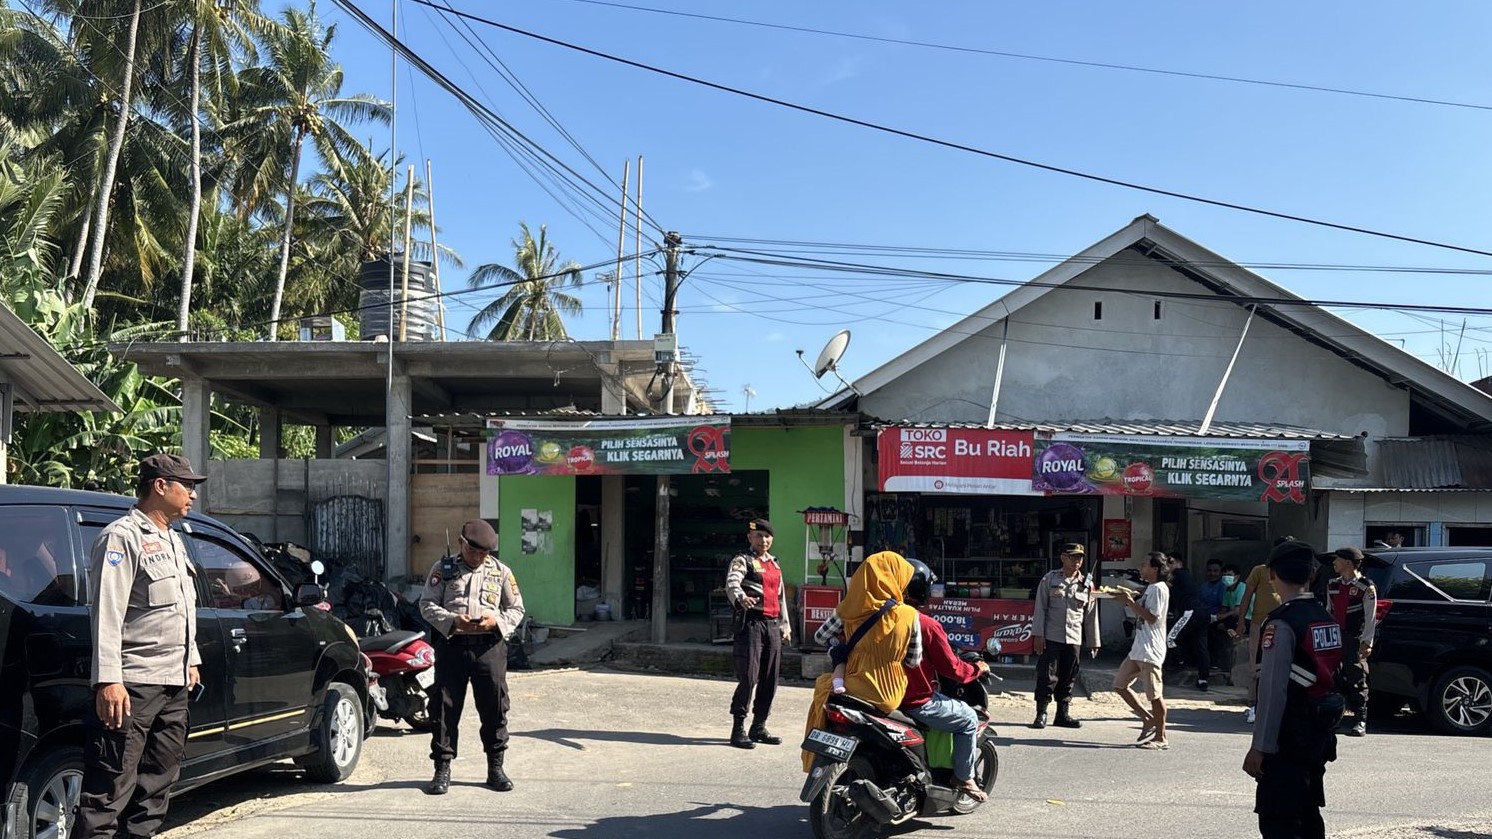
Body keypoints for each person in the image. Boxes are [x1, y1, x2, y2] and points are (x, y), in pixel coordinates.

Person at [78, 453, 205, 839]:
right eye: (188, 486)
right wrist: (108, 681)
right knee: (108, 793)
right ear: (160, 486)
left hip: (173, 684)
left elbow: (181, 608)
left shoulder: (173, 538)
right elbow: (107, 611)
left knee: (155, 791)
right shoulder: (122, 536)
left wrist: (191, 659)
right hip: (132, 686)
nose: (194, 496)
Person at [1242, 539, 1346, 839]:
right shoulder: (1326, 618)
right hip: (1319, 737)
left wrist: (1260, 747)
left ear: (1272, 574)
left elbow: (1273, 693)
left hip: (1288, 738)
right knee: (1309, 816)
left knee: (1279, 821)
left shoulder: (1281, 623)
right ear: (1312, 574)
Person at [419, 519, 526, 795]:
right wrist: (454, 621)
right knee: (444, 708)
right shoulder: (443, 570)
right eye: (473, 551)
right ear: (461, 543)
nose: (478, 557)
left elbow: (516, 609)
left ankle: (496, 768)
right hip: (452, 645)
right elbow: (426, 604)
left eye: (484, 553)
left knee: (494, 706)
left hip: (489, 648)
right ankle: (442, 769)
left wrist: (495, 623)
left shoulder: (501, 572)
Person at [803, 551, 921, 771]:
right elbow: (914, 661)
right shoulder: (909, 615)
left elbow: (820, 636)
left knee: (823, 688)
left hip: (851, 686)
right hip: (888, 693)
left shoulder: (848, 609)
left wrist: (839, 649)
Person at [899, 558, 990, 800]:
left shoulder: (873, 617)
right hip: (914, 700)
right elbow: (952, 669)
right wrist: (977, 669)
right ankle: (963, 777)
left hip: (874, 695)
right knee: (968, 718)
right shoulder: (924, 624)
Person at [724, 518, 791, 749]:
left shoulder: (775, 563)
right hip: (751, 624)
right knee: (749, 677)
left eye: (767, 536)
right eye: (759, 536)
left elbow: (781, 597)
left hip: (772, 626)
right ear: (750, 538)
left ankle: (759, 726)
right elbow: (732, 582)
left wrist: (785, 625)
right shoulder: (743, 560)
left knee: (770, 679)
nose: (763, 540)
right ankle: (738, 728)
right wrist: (741, 598)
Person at [1030, 543, 1100, 729]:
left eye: (1080, 557)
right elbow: (1040, 608)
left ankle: (1062, 714)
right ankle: (1041, 713)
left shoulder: (1086, 584)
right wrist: (1038, 634)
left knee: (1069, 677)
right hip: (1052, 636)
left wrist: (1093, 641)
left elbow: (1091, 615)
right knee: (1047, 675)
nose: (1077, 561)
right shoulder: (1050, 579)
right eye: (1073, 557)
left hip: (1074, 638)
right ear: (1063, 558)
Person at [1112, 552, 1171, 750]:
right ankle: (1147, 719)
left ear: (1155, 568)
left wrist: (1130, 602)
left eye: (1145, 565)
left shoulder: (1158, 589)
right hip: (1139, 647)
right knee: (1120, 684)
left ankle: (1161, 737)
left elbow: (1152, 617)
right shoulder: (1150, 588)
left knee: (1154, 695)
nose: (1141, 568)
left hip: (1150, 649)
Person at [1325, 547, 1378, 737]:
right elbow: (1329, 611)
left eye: (1337, 560)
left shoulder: (1366, 586)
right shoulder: (1332, 584)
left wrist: (1367, 642)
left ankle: (1360, 719)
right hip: (1335, 636)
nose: (1334, 563)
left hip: (1354, 637)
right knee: (1333, 677)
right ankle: (1335, 717)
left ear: (1348, 562)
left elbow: (1370, 617)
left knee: (1357, 676)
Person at [1238, 540, 1290, 723]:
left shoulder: (1293, 571)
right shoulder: (1260, 570)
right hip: (1259, 623)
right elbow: (1246, 596)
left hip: (1286, 623)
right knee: (1256, 664)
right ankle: (1254, 704)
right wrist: (1241, 621)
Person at [1164, 553, 1211, 691]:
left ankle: (1179, 661)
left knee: (1170, 638)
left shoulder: (1179, 574)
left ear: (1175, 562)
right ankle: (1203, 679)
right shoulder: (1185, 576)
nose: (1167, 567)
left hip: (1191, 612)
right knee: (1201, 645)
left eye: (1168, 563)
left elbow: (1164, 584)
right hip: (1203, 613)